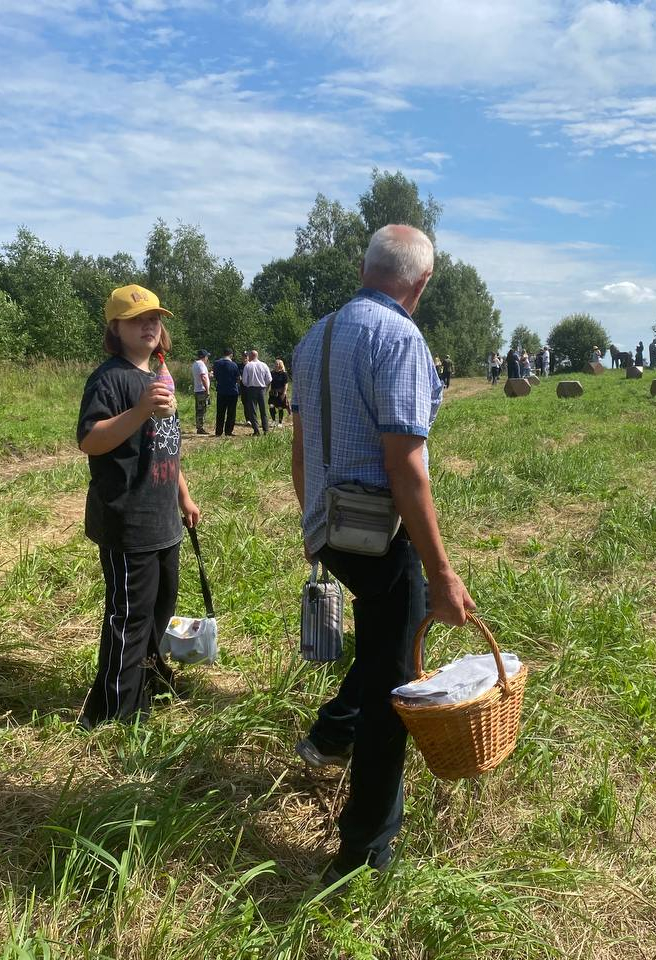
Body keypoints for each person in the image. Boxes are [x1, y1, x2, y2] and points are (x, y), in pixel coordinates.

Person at [290, 224, 473, 884]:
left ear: (366, 268)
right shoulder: (399, 338)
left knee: (382, 644)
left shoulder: (315, 336)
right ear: (421, 282)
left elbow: (300, 448)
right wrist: (442, 572)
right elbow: (406, 467)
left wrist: (312, 525)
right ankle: (362, 852)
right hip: (379, 537)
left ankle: (331, 735)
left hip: (330, 528)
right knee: (397, 689)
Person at [75, 284, 201, 728]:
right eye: (137, 319)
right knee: (129, 617)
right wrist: (141, 410)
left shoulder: (158, 377)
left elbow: (167, 444)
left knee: (159, 611)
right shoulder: (109, 379)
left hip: (163, 518)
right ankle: (114, 711)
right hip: (128, 520)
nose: (149, 325)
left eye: (154, 319)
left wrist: (183, 494)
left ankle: (148, 682)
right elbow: (90, 439)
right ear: (116, 328)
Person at [242, 349, 272, 435]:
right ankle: (266, 429)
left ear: (250, 356)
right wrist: (264, 385)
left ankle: (256, 430)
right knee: (263, 410)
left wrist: (248, 384)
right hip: (261, 389)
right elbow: (269, 379)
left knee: (253, 410)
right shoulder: (264, 365)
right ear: (257, 356)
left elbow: (244, 381)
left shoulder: (248, 366)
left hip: (251, 389)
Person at [212, 348, 241, 437]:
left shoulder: (217, 363)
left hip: (221, 390)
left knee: (220, 412)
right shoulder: (234, 365)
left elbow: (215, 375)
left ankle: (218, 431)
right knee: (231, 412)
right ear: (231, 355)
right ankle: (228, 431)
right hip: (232, 391)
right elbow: (238, 378)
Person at [191, 348, 210, 435]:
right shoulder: (201, 364)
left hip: (197, 389)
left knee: (199, 409)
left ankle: (199, 426)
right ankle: (200, 428)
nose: (207, 358)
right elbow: (203, 377)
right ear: (204, 357)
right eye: (207, 356)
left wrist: (209, 375)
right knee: (202, 409)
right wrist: (207, 390)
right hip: (202, 390)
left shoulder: (195, 364)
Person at [269, 358, 290, 427]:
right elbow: (269, 382)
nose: (276, 365)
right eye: (275, 364)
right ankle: (273, 421)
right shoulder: (272, 373)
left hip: (280, 393)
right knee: (271, 406)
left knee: (280, 407)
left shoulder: (284, 374)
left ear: (280, 365)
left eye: (277, 364)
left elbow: (286, 384)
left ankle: (280, 422)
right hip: (273, 393)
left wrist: (284, 393)